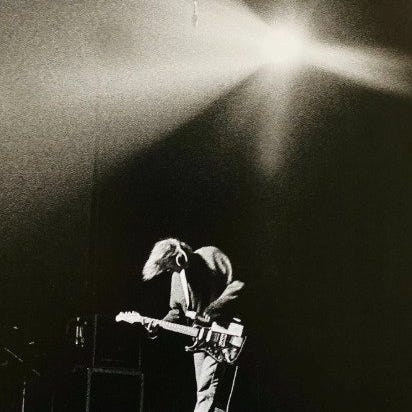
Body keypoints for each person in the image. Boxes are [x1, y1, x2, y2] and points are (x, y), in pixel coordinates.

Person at [142, 238, 245, 412]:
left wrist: (213, 309)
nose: (169, 271)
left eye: (168, 266)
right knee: (210, 396)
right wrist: (159, 325)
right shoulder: (176, 278)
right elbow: (177, 311)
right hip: (200, 341)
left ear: (178, 256)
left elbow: (237, 285)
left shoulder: (210, 255)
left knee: (207, 390)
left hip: (222, 333)